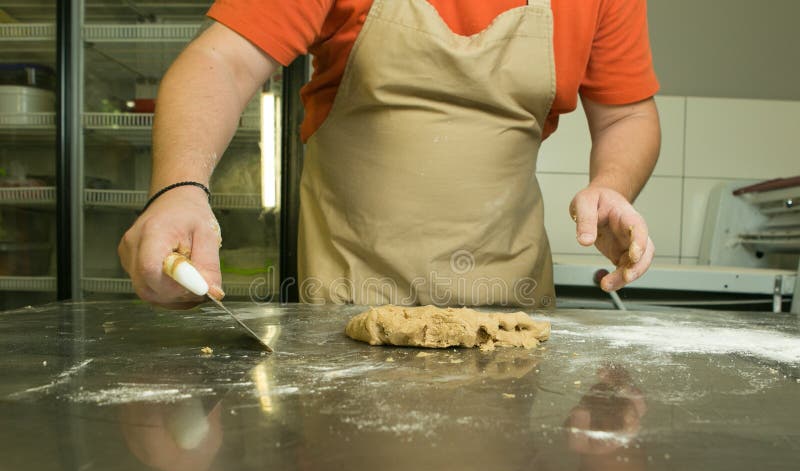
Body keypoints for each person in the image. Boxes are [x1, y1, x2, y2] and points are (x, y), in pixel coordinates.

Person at [118, 0, 660, 309]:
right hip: (344, 322)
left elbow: (627, 115)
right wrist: (178, 188)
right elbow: (221, 59)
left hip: (511, 323)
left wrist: (612, 185)